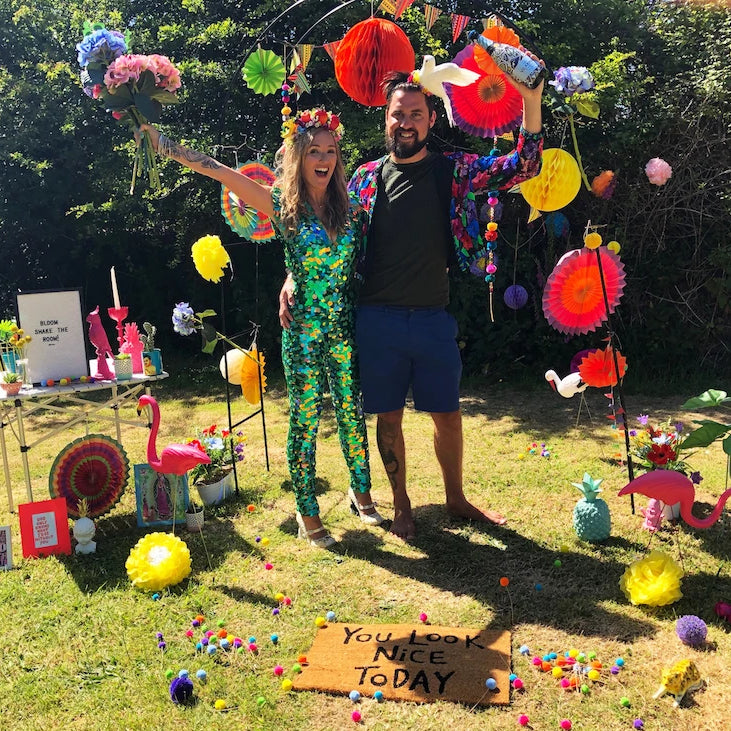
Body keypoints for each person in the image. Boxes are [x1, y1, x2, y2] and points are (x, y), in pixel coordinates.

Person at [280, 58, 544, 540]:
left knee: (447, 413)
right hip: (375, 318)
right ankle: (400, 504)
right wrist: (291, 278)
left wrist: (531, 100)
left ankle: (456, 498)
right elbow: (316, 230)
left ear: (431, 120)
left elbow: (522, 165)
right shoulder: (361, 180)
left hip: (432, 317)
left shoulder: (454, 172)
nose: (405, 123)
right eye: (398, 114)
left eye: (415, 115)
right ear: (386, 119)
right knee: (388, 416)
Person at [139, 109, 383, 547]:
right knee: (306, 419)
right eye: (314, 152)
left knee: (350, 410)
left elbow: (359, 266)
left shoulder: (353, 209)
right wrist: (165, 146)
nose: (323, 159)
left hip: (343, 328)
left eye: (330, 151)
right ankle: (307, 509)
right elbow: (221, 172)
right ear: (298, 158)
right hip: (303, 331)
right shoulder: (283, 205)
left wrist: (290, 279)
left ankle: (361, 490)